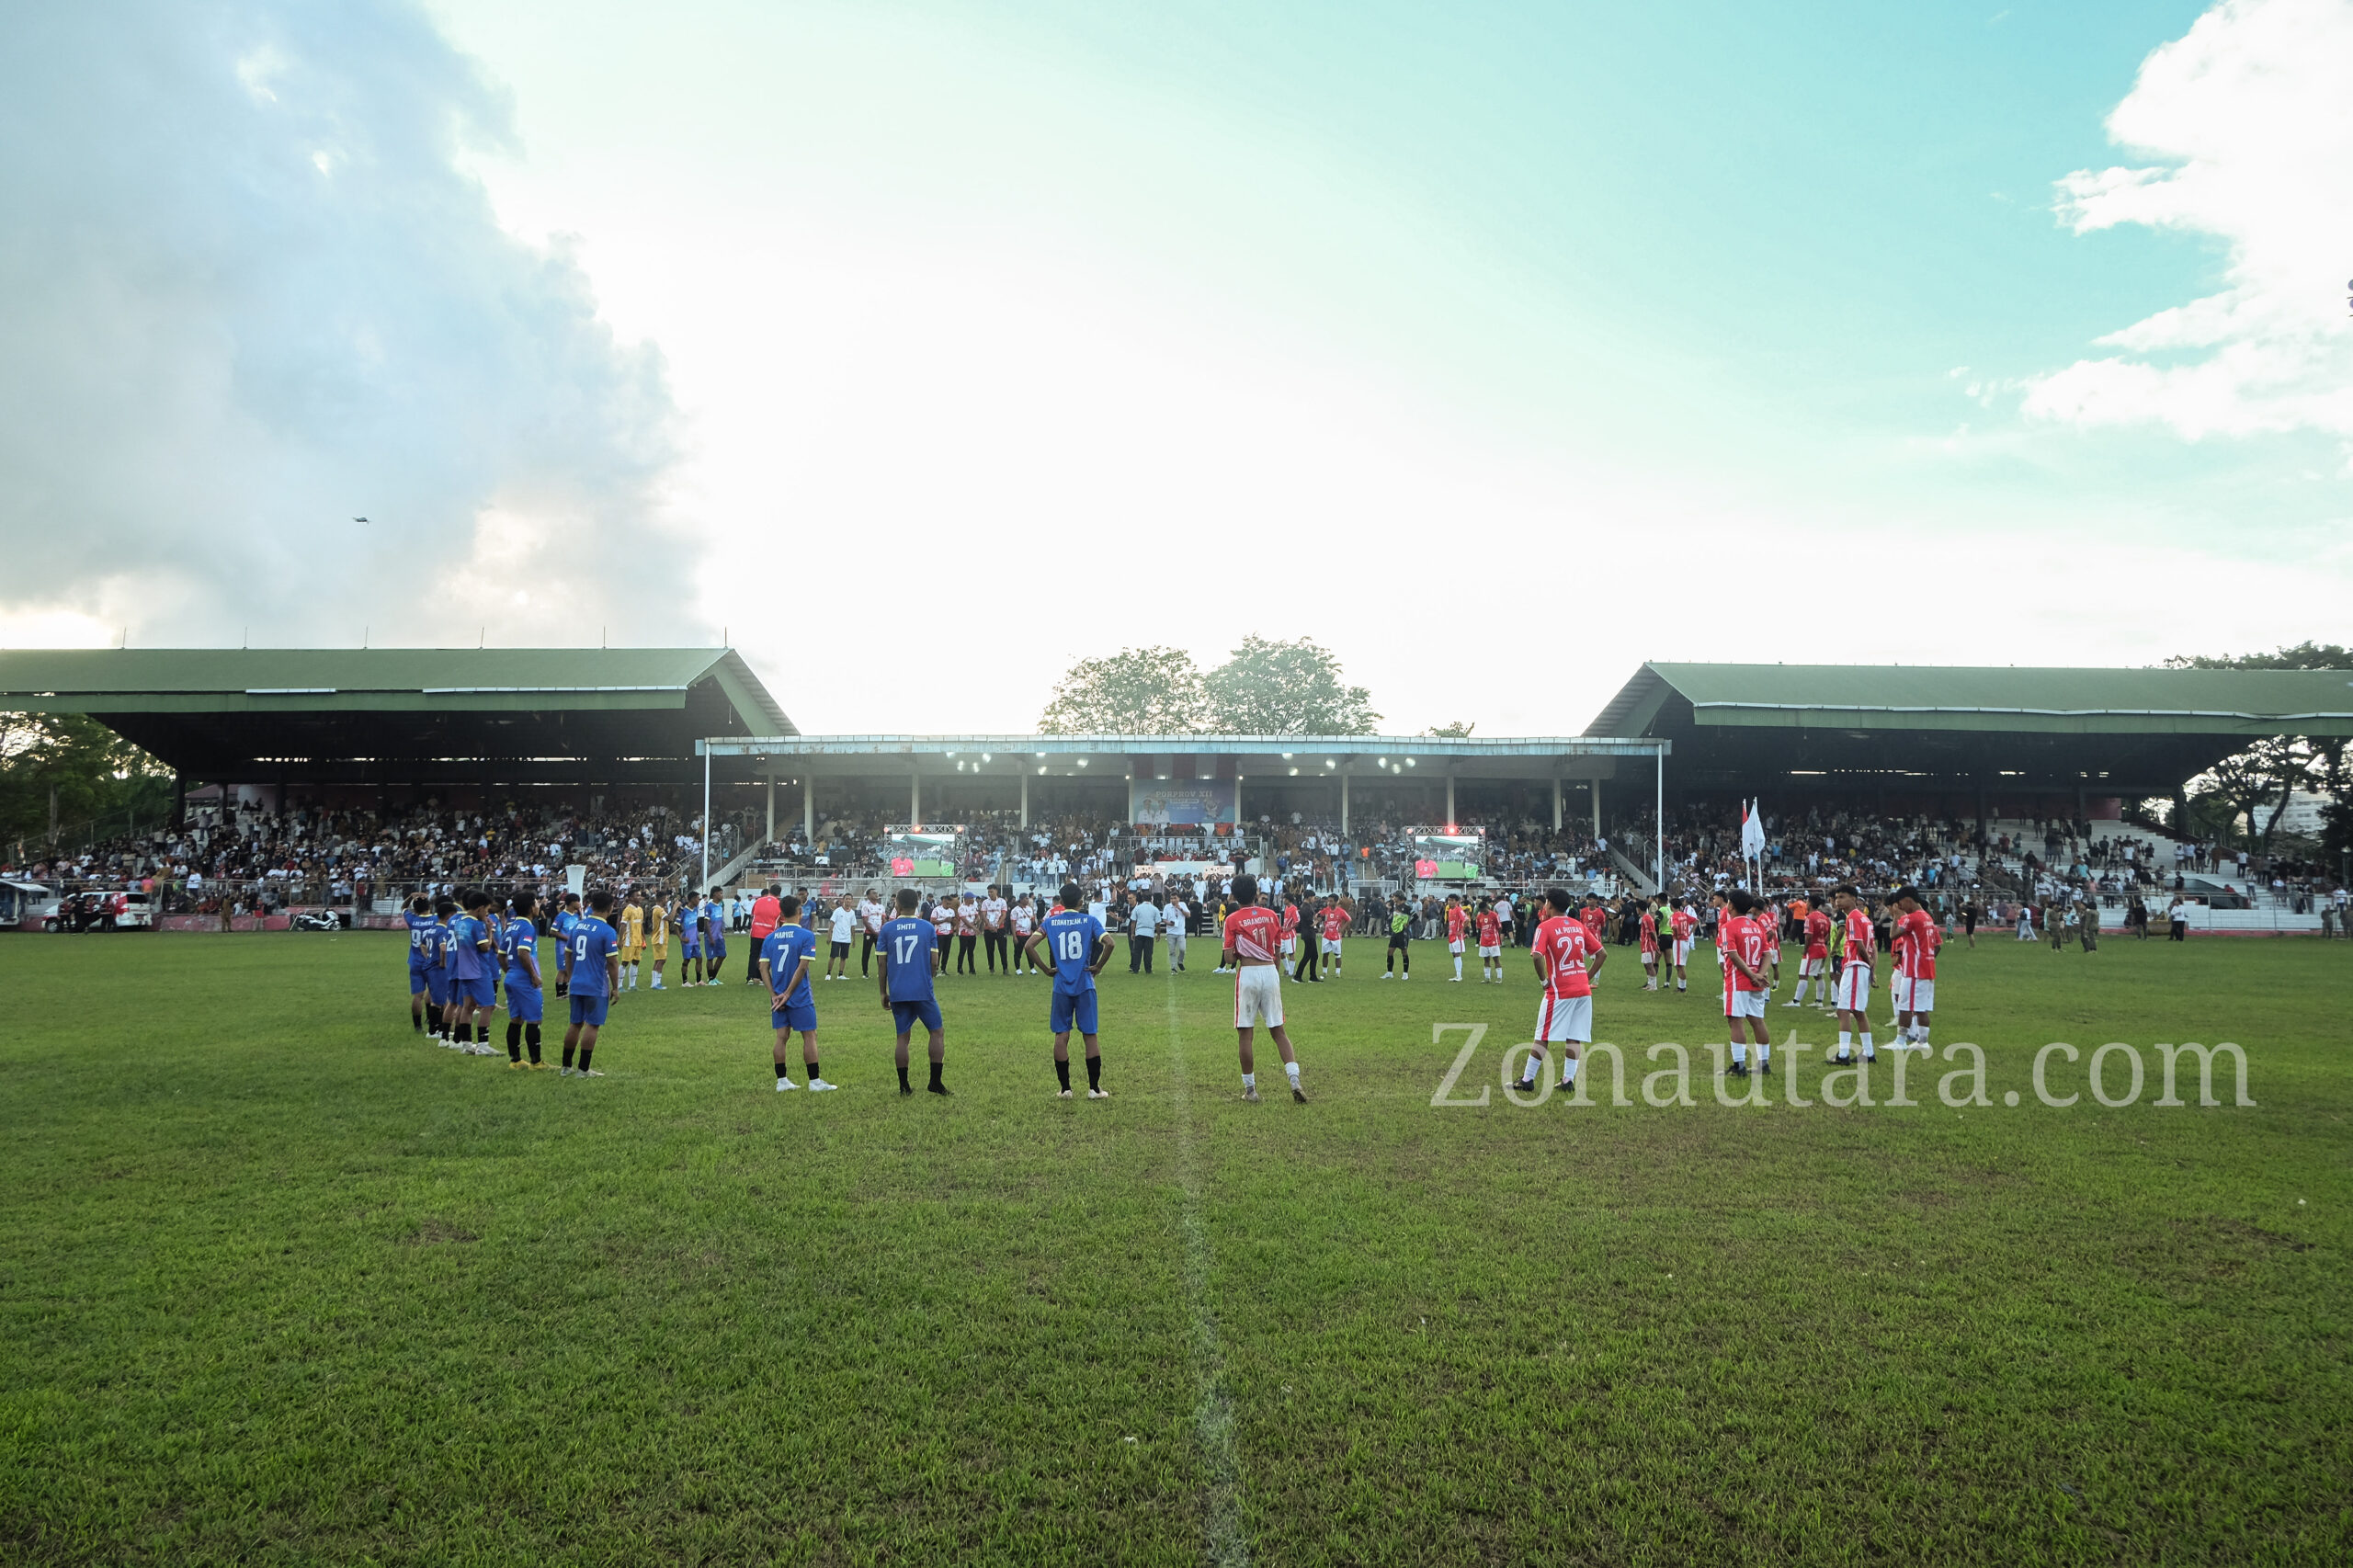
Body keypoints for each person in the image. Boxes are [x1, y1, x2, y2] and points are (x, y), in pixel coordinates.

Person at [1510, 888, 1606, 1094]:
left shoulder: (1545, 927)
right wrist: (1585, 978)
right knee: (1574, 1035)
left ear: (1549, 904)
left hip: (1560, 990)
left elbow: (1536, 956)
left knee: (1543, 1034)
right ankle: (1568, 1080)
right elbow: (1601, 954)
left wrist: (1544, 981)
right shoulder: (1578, 925)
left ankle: (1527, 1079)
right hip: (1582, 990)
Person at [1222, 873, 1305, 1102]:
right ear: (1257, 893)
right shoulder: (1271, 915)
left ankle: (1251, 1091)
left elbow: (1229, 958)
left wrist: (1239, 950)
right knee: (1278, 1031)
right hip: (1270, 972)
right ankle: (1294, 1079)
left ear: (1235, 896)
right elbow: (1277, 951)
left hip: (1248, 973)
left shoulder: (1233, 919)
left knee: (1245, 1034)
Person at [1030, 881, 1114, 1098]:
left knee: (1061, 1035)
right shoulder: (1090, 921)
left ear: (1061, 901)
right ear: (1080, 901)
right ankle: (1094, 1089)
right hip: (1085, 984)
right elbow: (1110, 943)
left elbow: (1029, 946)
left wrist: (1046, 969)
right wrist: (1098, 966)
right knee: (1090, 1035)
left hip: (1060, 985)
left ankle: (1065, 1089)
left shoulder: (1050, 922)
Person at [878, 888, 950, 1096]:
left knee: (902, 1037)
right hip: (922, 990)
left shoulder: (887, 929)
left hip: (898, 991)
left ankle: (904, 1086)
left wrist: (883, 992)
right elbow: (934, 962)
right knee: (936, 1032)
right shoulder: (927, 928)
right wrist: (929, 977)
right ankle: (935, 1082)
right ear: (917, 905)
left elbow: (881, 964)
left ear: (897, 905)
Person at [760, 895, 835, 1091]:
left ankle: (781, 1081)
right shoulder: (806, 936)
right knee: (810, 1036)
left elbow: (762, 968)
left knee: (781, 1036)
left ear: (781, 914)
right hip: (799, 994)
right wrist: (788, 993)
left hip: (777, 996)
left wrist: (774, 994)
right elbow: (802, 968)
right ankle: (814, 1081)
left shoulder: (770, 938)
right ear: (800, 912)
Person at [561, 890, 621, 1078]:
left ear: (592, 906)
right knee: (592, 1025)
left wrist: (571, 976)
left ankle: (565, 1067)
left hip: (577, 982)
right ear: (610, 908)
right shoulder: (607, 931)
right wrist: (616, 987)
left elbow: (568, 953)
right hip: (595, 984)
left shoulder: (578, 926)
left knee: (575, 1023)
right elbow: (612, 962)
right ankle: (583, 1069)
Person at [501, 891, 549, 1069]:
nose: (538, 906)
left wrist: (510, 972)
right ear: (531, 908)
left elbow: (501, 955)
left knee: (516, 1019)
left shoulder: (511, 926)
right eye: (536, 903)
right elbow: (523, 952)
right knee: (534, 1020)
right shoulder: (527, 927)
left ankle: (515, 1060)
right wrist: (533, 976)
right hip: (525, 980)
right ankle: (536, 1062)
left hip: (512, 978)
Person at [1829, 884, 1877, 1065]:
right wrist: (1872, 968)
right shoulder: (1865, 919)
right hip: (1861, 966)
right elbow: (1873, 947)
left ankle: (1843, 1055)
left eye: (1842, 897)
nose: (1838, 900)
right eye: (1837, 897)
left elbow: (1859, 944)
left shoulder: (1853, 917)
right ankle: (1869, 1052)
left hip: (1855, 965)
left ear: (1853, 898)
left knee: (1843, 1010)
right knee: (1858, 1011)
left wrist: (1868, 963)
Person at [447, 890, 496, 1054]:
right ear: (480, 908)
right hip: (478, 970)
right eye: (487, 910)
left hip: (463, 969)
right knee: (488, 1006)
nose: (487, 913)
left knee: (467, 1006)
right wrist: (489, 931)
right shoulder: (476, 924)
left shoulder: (460, 922)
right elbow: (485, 947)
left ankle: (466, 1044)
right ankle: (483, 1044)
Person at [1889, 886, 1938, 1052]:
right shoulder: (1928, 918)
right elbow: (1938, 945)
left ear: (1908, 899)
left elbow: (1893, 935)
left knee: (1905, 1005)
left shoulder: (1912, 918)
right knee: (1921, 1007)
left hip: (1914, 970)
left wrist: (1896, 916)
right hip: (1927, 968)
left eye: (1901, 903)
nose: (1901, 906)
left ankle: (1900, 1040)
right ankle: (1923, 1041)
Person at [404, 892, 438, 1034]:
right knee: (433, 991)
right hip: (431, 960)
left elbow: (403, 907)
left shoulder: (411, 919)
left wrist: (411, 897)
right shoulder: (436, 919)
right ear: (429, 906)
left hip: (415, 961)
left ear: (415, 909)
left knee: (418, 996)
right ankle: (432, 1020)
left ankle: (418, 1026)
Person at [422, 897, 454, 1041]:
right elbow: (443, 948)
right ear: (449, 916)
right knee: (440, 1000)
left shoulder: (431, 929)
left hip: (430, 966)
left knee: (438, 999)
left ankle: (437, 1029)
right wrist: (442, 962)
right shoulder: (443, 930)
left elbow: (422, 945)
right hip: (438, 968)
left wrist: (428, 956)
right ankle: (435, 1030)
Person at [1790, 900, 1832, 1007]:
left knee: (1803, 975)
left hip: (1813, 950)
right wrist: (1823, 941)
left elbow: (1808, 936)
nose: (1806, 904)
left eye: (1807, 903)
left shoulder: (1810, 917)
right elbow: (1829, 933)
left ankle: (1796, 1002)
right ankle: (1819, 1001)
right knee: (1818, 975)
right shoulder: (1825, 917)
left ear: (1810, 904)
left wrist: (1806, 949)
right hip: (1822, 948)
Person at [746, 883, 782, 986]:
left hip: (756, 932)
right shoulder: (779, 904)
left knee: (753, 955)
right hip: (769, 934)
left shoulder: (758, 901)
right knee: (765, 956)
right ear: (779, 893)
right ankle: (762, 977)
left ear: (769, 891)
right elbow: (781, 921)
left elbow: (752, 916)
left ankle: (751, 977)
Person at [824, 895, 857, 981]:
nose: (848, 901)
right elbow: (832, 923)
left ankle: (840, 974)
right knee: (833, 956)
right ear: (843, 900)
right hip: (836, 938)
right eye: (846, 899)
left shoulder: (852, 913)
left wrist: (854, 939)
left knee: (843, 957)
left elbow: (853, 926)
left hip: (846, 938)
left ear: (852, 901)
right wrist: (829, 935)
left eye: (850, 899)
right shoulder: (838, 911)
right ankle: (828, 973)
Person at [618, 892, 644, 991]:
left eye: (639, 895)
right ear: (631, 898)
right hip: (629, 940)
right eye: (637, 895)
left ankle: (632, 985)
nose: (639, 897)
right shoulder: (628, 910)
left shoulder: (640, 909)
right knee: (625, 962)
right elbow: (623, 925)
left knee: (636, 961)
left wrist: (643, 938)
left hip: (638, 940)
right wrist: (620, 940)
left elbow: (641, 925)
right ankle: (619, 985)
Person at [857, 888, 886, 977]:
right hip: (869, 933)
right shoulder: (866, 906)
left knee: (880, 953)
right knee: (866, 952)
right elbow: (865, 921)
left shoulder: (881, 907)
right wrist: (874, 932)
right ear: (868, 896)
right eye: (873, 893)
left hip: (879, 933)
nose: (876, 895)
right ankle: (865, 972)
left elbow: (883, 919)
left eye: (876, 893)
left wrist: (882, 931)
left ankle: (880, 972)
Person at [1381, 894, 1412, 979]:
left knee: (1404, 952)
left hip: (1403, 932)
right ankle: (1389, 972)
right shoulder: (1395, 906)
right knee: (1390, 951)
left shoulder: (1406, 907)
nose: (1393, 898)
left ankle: (1405, 974)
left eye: (1395, 897)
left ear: (1399, 897)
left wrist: (1408, 923)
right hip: (1395, 932)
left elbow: (1415, 916)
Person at [1321, 895, 1351, 978]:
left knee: (1337, 955)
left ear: (1336, 902)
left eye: (1331, 901)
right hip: (1326, 936)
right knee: (1325, 954)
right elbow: (1319, 916)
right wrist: (1320, 925)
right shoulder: (1326, 910)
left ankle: (1337, 973)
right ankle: (1324, 972)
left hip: (1336, 936)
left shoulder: (1341, 911)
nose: (1329, 903)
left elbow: (1349, 919)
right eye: (1328, 901)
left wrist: (1342, 929)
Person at [703, 891, 730, 983]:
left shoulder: (720, 905)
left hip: (719, 936)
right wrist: (710, 937)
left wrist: (722, 932)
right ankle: (711, 979)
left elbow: (720, 921)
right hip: (710, 936)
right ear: (715, 894)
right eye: (720, 893)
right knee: (710, 958)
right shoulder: (709, 906)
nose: (722, 895)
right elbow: (706, 922)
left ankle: (713, 977)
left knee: (722, 955)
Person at [1669, 902, 1697, 992]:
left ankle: (1682, 987)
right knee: (1680, 965)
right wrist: (1690, 933)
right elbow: (1696, 921)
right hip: (1686, 941)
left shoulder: (1674, 916)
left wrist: (1676, 935)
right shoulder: (1684, 915)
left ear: (1672, 906)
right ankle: (1681, 986)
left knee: (1679, 965)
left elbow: (1675, 927)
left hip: (1679, 941)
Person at [1009, 892, 1039, 975]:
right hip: (1019, 933)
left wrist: (1033, 933)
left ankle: (1032, 968)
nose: (1027, 900)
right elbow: (1013, 923)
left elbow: (1032, 922)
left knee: (1030, 951)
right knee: (1018, 952)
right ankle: (1018, 968)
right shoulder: (1015, 910)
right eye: (1026, 898)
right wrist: (1014, 936)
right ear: (1021, 899)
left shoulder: (1029, 909)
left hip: (1028, 934)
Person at [1474, 898, 1503, 983]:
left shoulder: (1494, 915)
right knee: (1486, 960)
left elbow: (1499, 927)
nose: (1483, 912)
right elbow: (1479, 928)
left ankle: (1499, 978)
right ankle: (1487, 978)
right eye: (1482, 911)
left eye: (1484, 910)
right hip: (1483, 941)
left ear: (1487, 907)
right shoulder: (1479, 916)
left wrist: (1498, 938)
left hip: (1493, 941)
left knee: (1496, 959)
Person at [1129, 894, 1158, 973]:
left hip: (1139, 932)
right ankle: (1148, 969)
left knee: (1137, 952)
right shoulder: (1155, 909)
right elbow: (1158, 923)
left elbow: (1133, 922)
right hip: (1149, 933)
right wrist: (1158, 934)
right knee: (1148, 953)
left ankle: (1135, 969)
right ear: (1151, 899)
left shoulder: (1137, 908)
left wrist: (1132, 933)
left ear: (1142, 899)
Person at [677, 894, 703, 985]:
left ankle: (699, 981)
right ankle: (685, 982)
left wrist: (697, 935)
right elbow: (676, 925)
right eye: (697, 898)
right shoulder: (684, 911)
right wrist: (681, 937)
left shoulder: (695, 909)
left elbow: (694, 924)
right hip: (687, 940)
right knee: (687, 960)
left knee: (699, 959)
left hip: (695, 940)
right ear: (692, 899)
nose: (699, 900)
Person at [645, 896, 669, 990]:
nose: (667, 900)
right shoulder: (658, 910)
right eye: (666, 898)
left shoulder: (657, 909)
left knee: (658, 960)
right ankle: (657, 983)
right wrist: (675, 908)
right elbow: (670, 918)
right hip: (660, 938)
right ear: (662, 899)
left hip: (658, 938)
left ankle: (654, 983)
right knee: (661, 960)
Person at [1443, 892, 1469, 983]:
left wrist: (1461, 931)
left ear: (1457, 901)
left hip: (1457, 936)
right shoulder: (1450, 910)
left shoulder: (1458, 909)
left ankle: (1459, 975)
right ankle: (1457, 974)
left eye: (1452, 900)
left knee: (1457, 954)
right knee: (1454, 954)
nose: (1450, 902)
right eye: (1449, 900)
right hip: (1451, 935)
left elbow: (1466, 920)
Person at [953, 893, 980, 975]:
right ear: (967, 899)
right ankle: (959, 968)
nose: (973, 900)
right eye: (972, 898)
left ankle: (972, 969)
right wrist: (974, 928)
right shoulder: (961, 908)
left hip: (972, 933)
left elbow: (977, 917)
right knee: (962, 951)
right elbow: (965, 920)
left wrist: (975, 922)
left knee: (971, 952)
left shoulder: (973, 906)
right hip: (964, 933)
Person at [1636, 899, 1659, 991]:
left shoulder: (1646, 918)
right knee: (1646, 965)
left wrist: (1655, 943)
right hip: (1644, 944)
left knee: (1649, 965)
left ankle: (1654, 985)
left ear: (1639, 909)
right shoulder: (1646, 918)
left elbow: (1652, 932)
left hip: (1648, 945)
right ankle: (1650, 983)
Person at [1165, 894, 1191, 971]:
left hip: (1181, 932)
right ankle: (1173, 967)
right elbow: (1164, 919)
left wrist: (1181, 909)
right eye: (1171, 898)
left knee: (1182, 949)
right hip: (1171, 931)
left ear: (1178, 899)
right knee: (1172, 951)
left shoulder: (1183, 905)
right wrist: (1169, 923)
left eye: (1175, 898)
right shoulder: (1167, 907)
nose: (1173, 900)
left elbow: (1188, 915)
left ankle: (1180, 961)